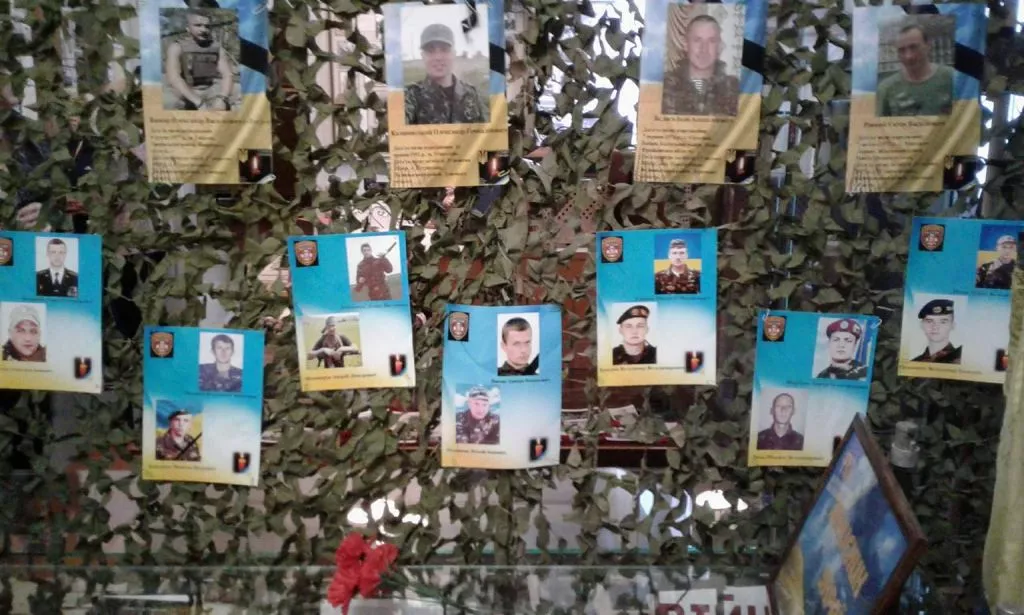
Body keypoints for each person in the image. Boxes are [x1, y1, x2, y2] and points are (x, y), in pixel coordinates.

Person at [404, 23, 487, 125]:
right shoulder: (410, 96)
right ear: (423, 56)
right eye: (430, 51)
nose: (438, 57)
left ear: (454, 54)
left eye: (444, 50)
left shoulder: (471, 94)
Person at [661, 15, 739, 116]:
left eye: (711, 41)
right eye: (697, 40)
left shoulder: (734, 89)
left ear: (719, 46)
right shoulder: (663, 86)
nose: (704, 49)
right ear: (685, 44)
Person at [876, 23, 954, 117]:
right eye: (901, 50)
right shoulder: (886, 89)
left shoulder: (952, 78)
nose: (908, 56)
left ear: (928, 45)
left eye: (914, 47)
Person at [163, 10, 235, 111]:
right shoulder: (177, 47)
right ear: (188, 27)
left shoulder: (216, 48)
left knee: (231, 102)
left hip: (210, 89)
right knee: (169, 103)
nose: (203, 29)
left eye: (207, 26)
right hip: (184, 90)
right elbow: (174, 78)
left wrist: (222, 98)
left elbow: (228, 75)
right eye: (198, 25)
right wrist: (198, 102)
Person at [911, 299, 962, 363]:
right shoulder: (914, 362)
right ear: (921, 325)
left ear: (953, 325)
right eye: (929, 321)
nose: (935, 327)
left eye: (943, 322)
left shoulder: (961, 359)